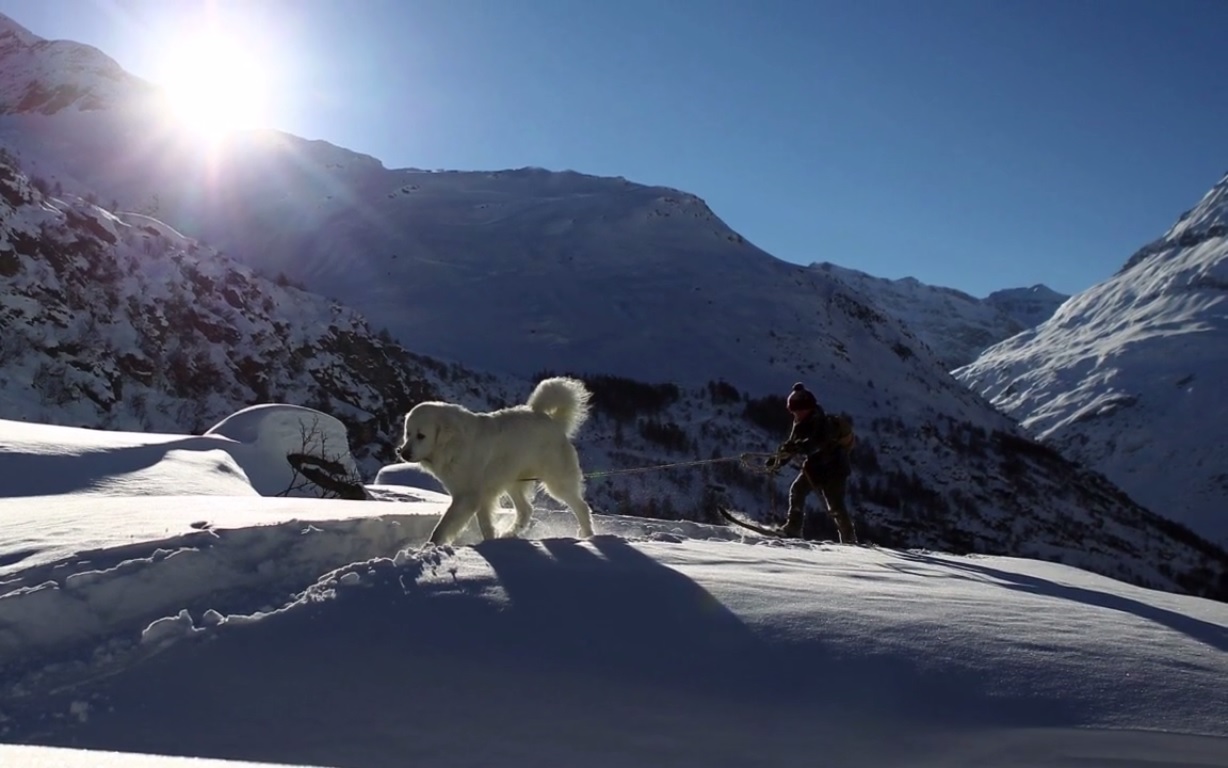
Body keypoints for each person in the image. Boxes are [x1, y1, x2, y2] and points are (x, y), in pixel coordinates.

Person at [768, 382, 858, 543]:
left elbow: (816, 443)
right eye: (794, 411)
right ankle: (793, 527)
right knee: (797, 491)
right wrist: (776, 461)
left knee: (835, 505)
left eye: (799, 411)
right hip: (815, 467)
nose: (796, 414)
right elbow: (792, 447)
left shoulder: (824, 423)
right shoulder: (800, 424)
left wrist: (798, 447)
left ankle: (849, 538)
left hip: (834, 468)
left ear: (808, 408)